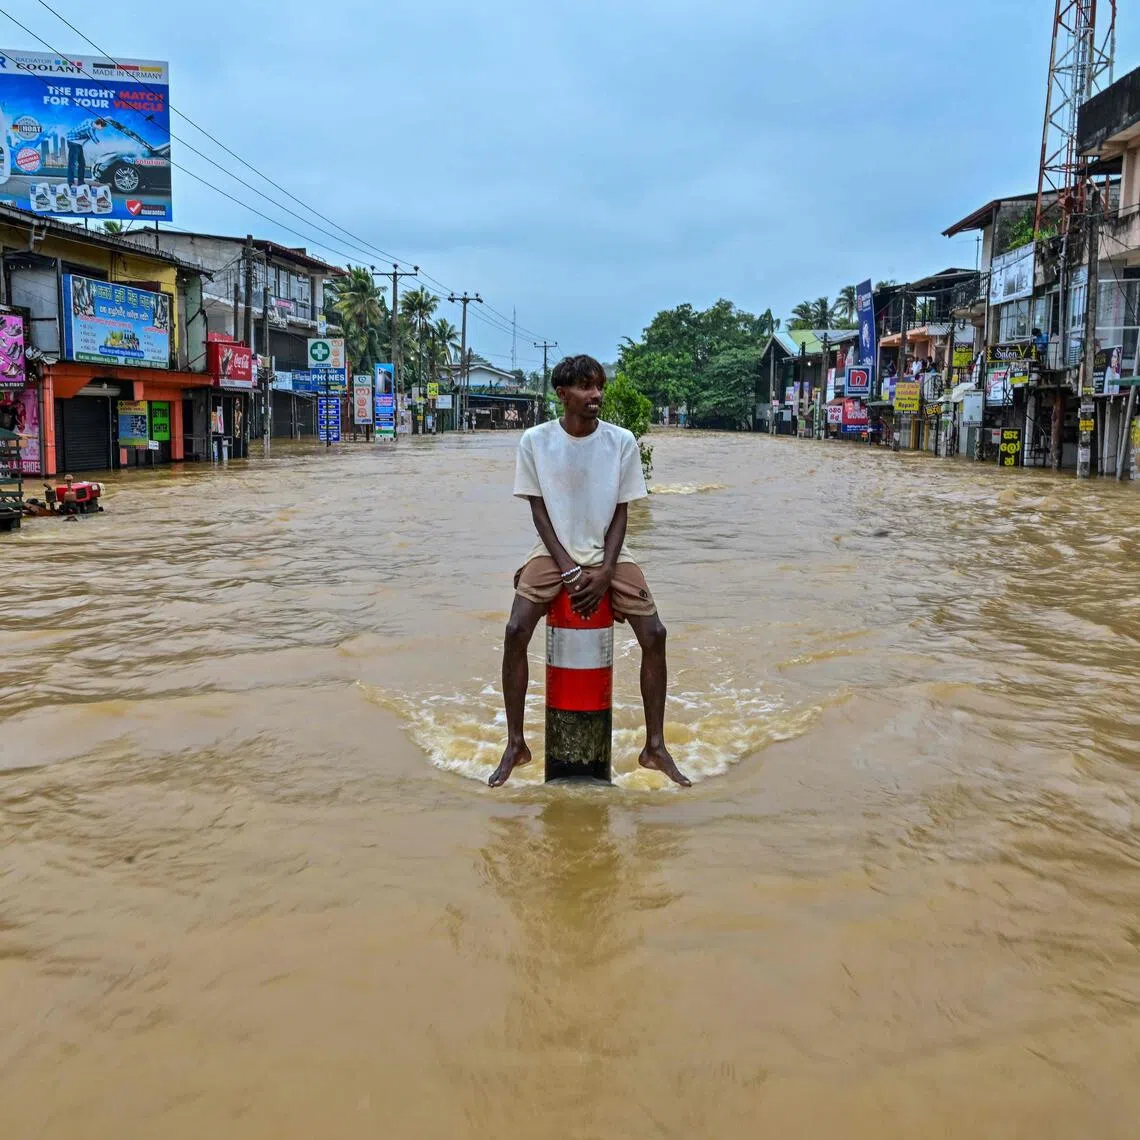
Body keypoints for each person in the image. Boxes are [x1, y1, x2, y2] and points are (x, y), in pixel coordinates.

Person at [489, 353, 690, 789]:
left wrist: (605, 572)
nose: (595, 394)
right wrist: (566, 570)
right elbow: (539, 512)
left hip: (610, 552)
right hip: (552, 550)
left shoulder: (621, 441)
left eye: (598, 385)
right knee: (515, 629)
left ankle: (654, 747)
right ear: (562, 394)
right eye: (584, 387)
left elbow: (622, 514)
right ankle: (515, 744)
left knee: (655, 634)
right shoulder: (535, 441)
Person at [66, 118, 107, 187]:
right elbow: (95, 139)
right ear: (99, 125)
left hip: (78, 143)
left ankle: (81, 182)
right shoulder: (89, 129)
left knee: (82, 163)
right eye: (102, 127)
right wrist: (105, 149)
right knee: (72, 164)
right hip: (73, 141)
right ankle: (70, 183)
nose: (102, 129)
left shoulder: (91, 121)